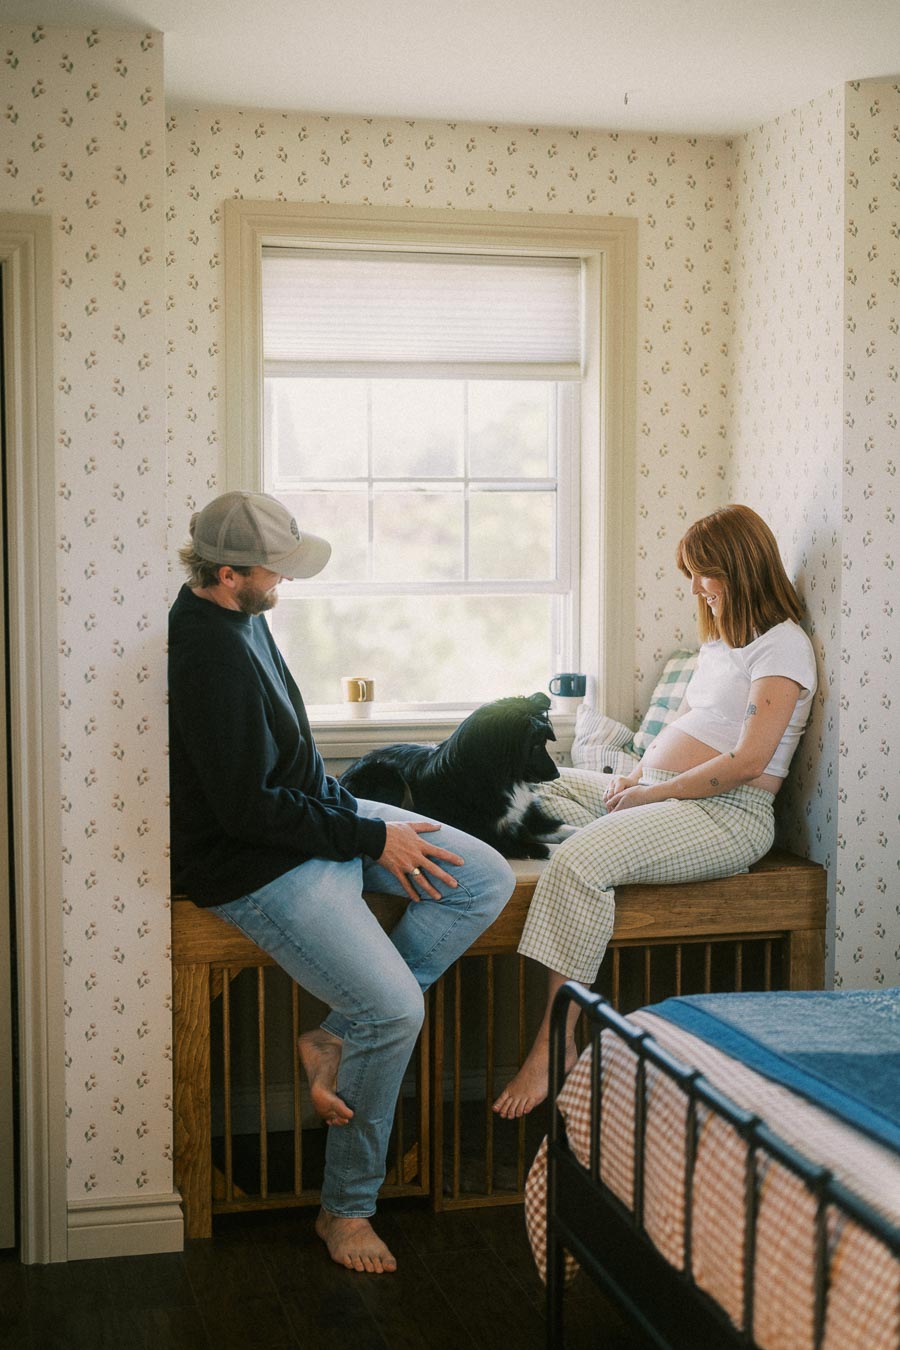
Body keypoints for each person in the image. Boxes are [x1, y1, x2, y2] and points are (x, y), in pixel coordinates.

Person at [168, 490, 515, 1272]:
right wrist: (367, 836)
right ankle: (346, 1210)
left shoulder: (243, 620)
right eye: (274, 572)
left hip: (311, 821)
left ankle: (332, 1035)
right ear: (228, 574)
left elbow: (288, 765)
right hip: (259, 863)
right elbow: (246, 808)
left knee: (481, 876)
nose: (284, 585)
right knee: (394, 1010)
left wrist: (362, 821)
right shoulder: (204, 654)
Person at [493, 503, 817, 1119]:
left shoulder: (784, 649)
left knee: (582, 861)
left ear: (743, 567)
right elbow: (690, 723)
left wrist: (651, 795)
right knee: (542, 787)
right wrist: (635, 777)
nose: (696, 586)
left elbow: (749, 760)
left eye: (706, 572)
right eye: (691, 572)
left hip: (726, 813)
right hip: (666, 790)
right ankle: (616, 831)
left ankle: (555, 1043)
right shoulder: (723, 641)